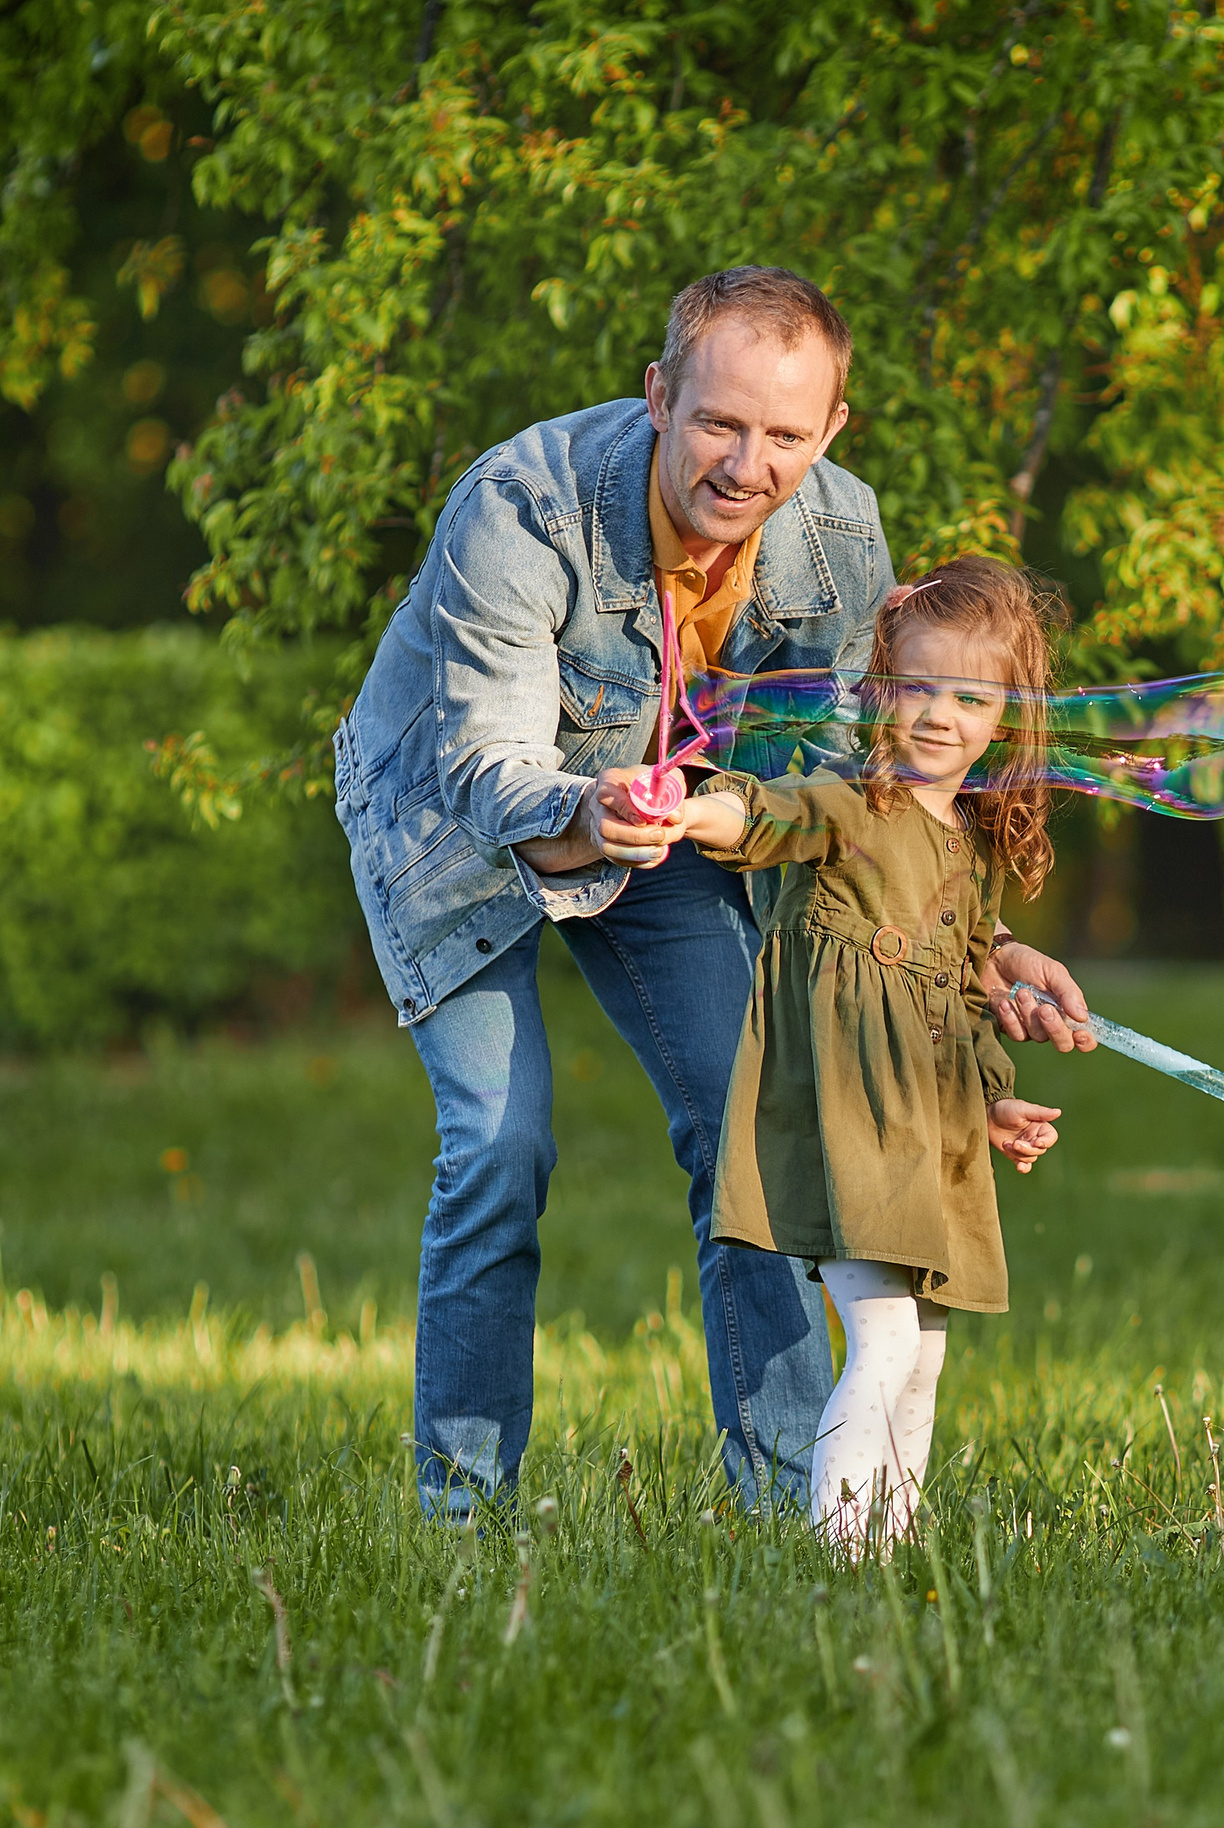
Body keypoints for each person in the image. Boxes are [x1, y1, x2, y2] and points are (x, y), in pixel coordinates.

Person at [333, 267, 1091, 1521]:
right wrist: (594, 810)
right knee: (500, 1146)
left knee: (754, 1117)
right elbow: (482, 766)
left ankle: (796, 1502)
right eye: (719, 424)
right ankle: (462, 1515)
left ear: (833, 430)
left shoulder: (842, 538)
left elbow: (859, 796)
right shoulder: (520, 506)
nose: (748, 464)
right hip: (453, 828)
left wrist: (979, 942)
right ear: (658, 397)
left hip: (683, 821)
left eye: (786, 435)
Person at [639, 555, 1064, 1551]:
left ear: (1003, 716)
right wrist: (689, 809)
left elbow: (965, 988)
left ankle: (896, 1547)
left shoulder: (966, 847)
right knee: (880, 1339)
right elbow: (764, 816)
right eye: (917, 687)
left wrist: (994, 1102)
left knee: (925, 1358)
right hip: (848, 1121)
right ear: (882, 689)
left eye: (968, 696)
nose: (937, 715)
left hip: (930, 1133)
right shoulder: (851, 803)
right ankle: (836, 1554)